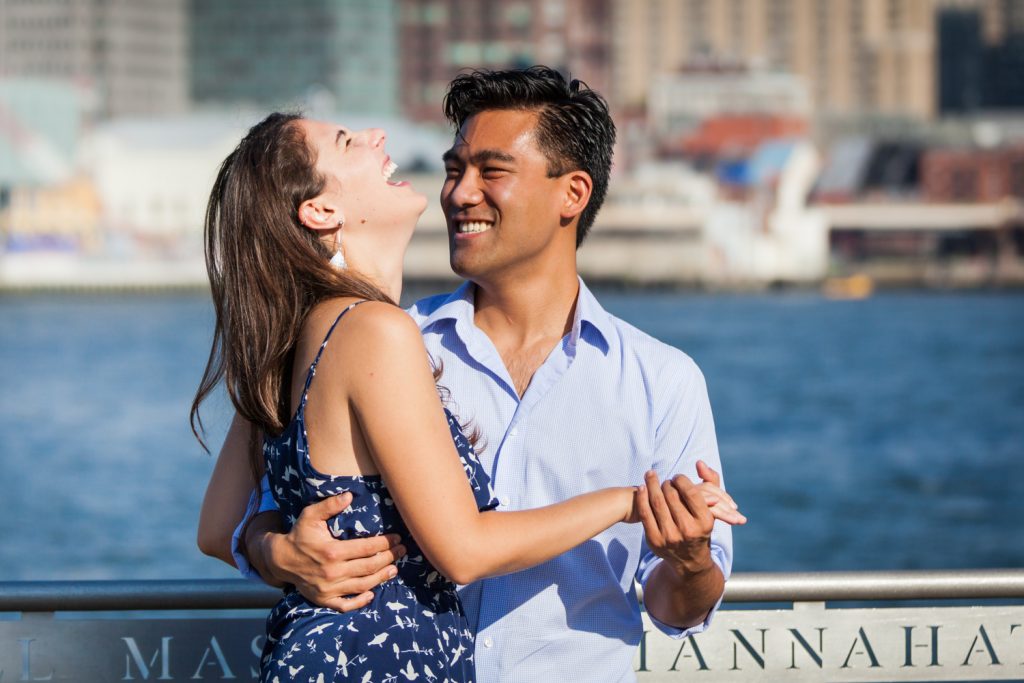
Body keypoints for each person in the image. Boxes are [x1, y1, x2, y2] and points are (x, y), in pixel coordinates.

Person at [198, 67, 743, 682]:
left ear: (572, 194)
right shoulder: (384, 338)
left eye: (491, 171)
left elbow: (677, 607)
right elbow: (246, 518)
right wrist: (276, 551)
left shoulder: (662, 381)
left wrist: (692, 561)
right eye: (455, 169)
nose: (459, 192)